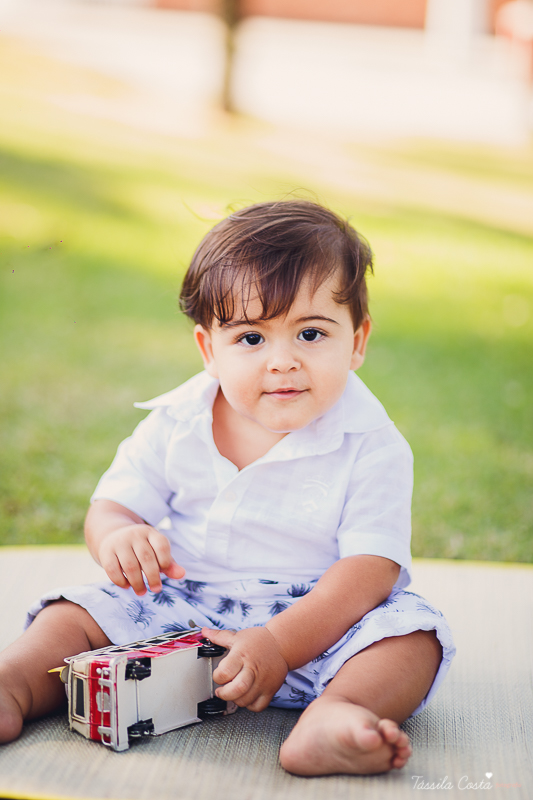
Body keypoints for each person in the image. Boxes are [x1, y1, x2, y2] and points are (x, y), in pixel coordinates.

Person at [0, 200, 454, 776]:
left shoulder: (372, 443)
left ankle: (335, 717)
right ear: (208, 350)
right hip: (184, 609)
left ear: (358, 341)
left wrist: (280, 643)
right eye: (250, 339)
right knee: (72, 616)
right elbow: (111, 506)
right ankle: (12, 684)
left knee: (412, 638)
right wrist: (119, 536)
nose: (282, 362)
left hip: (321, 627)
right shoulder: (176, 423)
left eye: (311, 333)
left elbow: (369, 572)